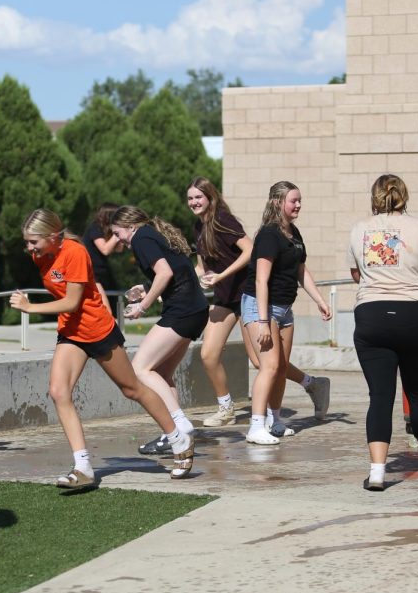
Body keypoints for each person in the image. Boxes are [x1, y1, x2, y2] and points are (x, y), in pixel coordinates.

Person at [9, 209, 194, 484]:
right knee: (58, 392)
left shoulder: (75, 252)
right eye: (27, 242)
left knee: (133, 389)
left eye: (33, 241)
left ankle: (179, 440)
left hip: (97, 330)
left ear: (52, 236)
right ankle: (83, 467)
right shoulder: (41, 256)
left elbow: (72, 301)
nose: (29, 248)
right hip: (71, 332)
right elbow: (66, 301)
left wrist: (29, 307)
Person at [186, 177, 331, 428]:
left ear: (211, 197)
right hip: (225, 298)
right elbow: (200, 268)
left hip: (247, 294)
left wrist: (222, 275)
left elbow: (249, 250)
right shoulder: (198, 229)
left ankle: (309, 385)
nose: (194, 202)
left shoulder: (224, 221)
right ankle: (226, 408)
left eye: (199, 197)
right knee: (208, 354)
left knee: (263, 362)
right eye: (190, 198)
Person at [348, 174, 418, 490]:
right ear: (403, 196)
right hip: (413, 315)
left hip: (371, 315)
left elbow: (357, 274)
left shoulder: (358, 229)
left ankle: (378, 472)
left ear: (374, 197)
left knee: (379, 397)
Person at [109, 206, 209, 453]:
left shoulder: (141, 238)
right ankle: (172, 434)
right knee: (162, 373)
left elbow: (164, 272)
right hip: (195, 310)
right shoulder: (152, 233)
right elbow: (175, 272)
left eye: (117, 232)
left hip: (182, 311)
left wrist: (143, 306)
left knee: (139, 369)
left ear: (129, 225)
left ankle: (180, 427)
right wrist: (145, 288)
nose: (117, 239)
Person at [241, 181, 333, 446]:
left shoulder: (294, 233)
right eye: (294, 200)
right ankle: (256, 426)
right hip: (262, 306)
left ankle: (276, 421)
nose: (298, 205)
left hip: (284, 309)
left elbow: (301, 271)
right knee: (268, 366)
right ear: (277, 202)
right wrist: (261, 322)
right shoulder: (269, 235)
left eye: (300, 200)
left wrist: (319, 301)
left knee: (280, 367)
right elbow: (260, 281)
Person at [82, 203, 121, 303]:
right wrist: (116, 235)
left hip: (103, 272)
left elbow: (119, 249)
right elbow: (105, 250)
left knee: (115, 300)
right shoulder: (95, 228)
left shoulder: (106, 231)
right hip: (92, 273)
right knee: (104, 307)